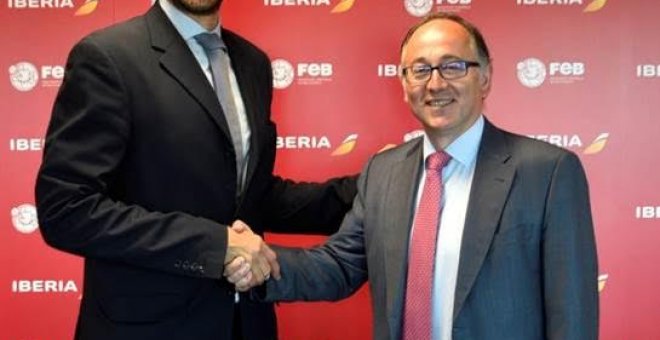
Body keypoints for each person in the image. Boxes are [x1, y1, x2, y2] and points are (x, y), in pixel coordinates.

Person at [226, 13, 599, 340]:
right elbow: (339, 265)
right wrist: (259, 265)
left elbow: (573, 313)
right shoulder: (384, 171)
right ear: (405, 85)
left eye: (453, 66)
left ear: (484, 78)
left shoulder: (548, 173)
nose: (435, 84)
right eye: (420, 70)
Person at [34, 0, 356, 339]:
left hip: (245, 324)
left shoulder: (253, 62)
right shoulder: (107, 56)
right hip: (146, 328)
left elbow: (253, 197)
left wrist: (379, 188)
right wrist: (215, 245)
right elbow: (66, 210)